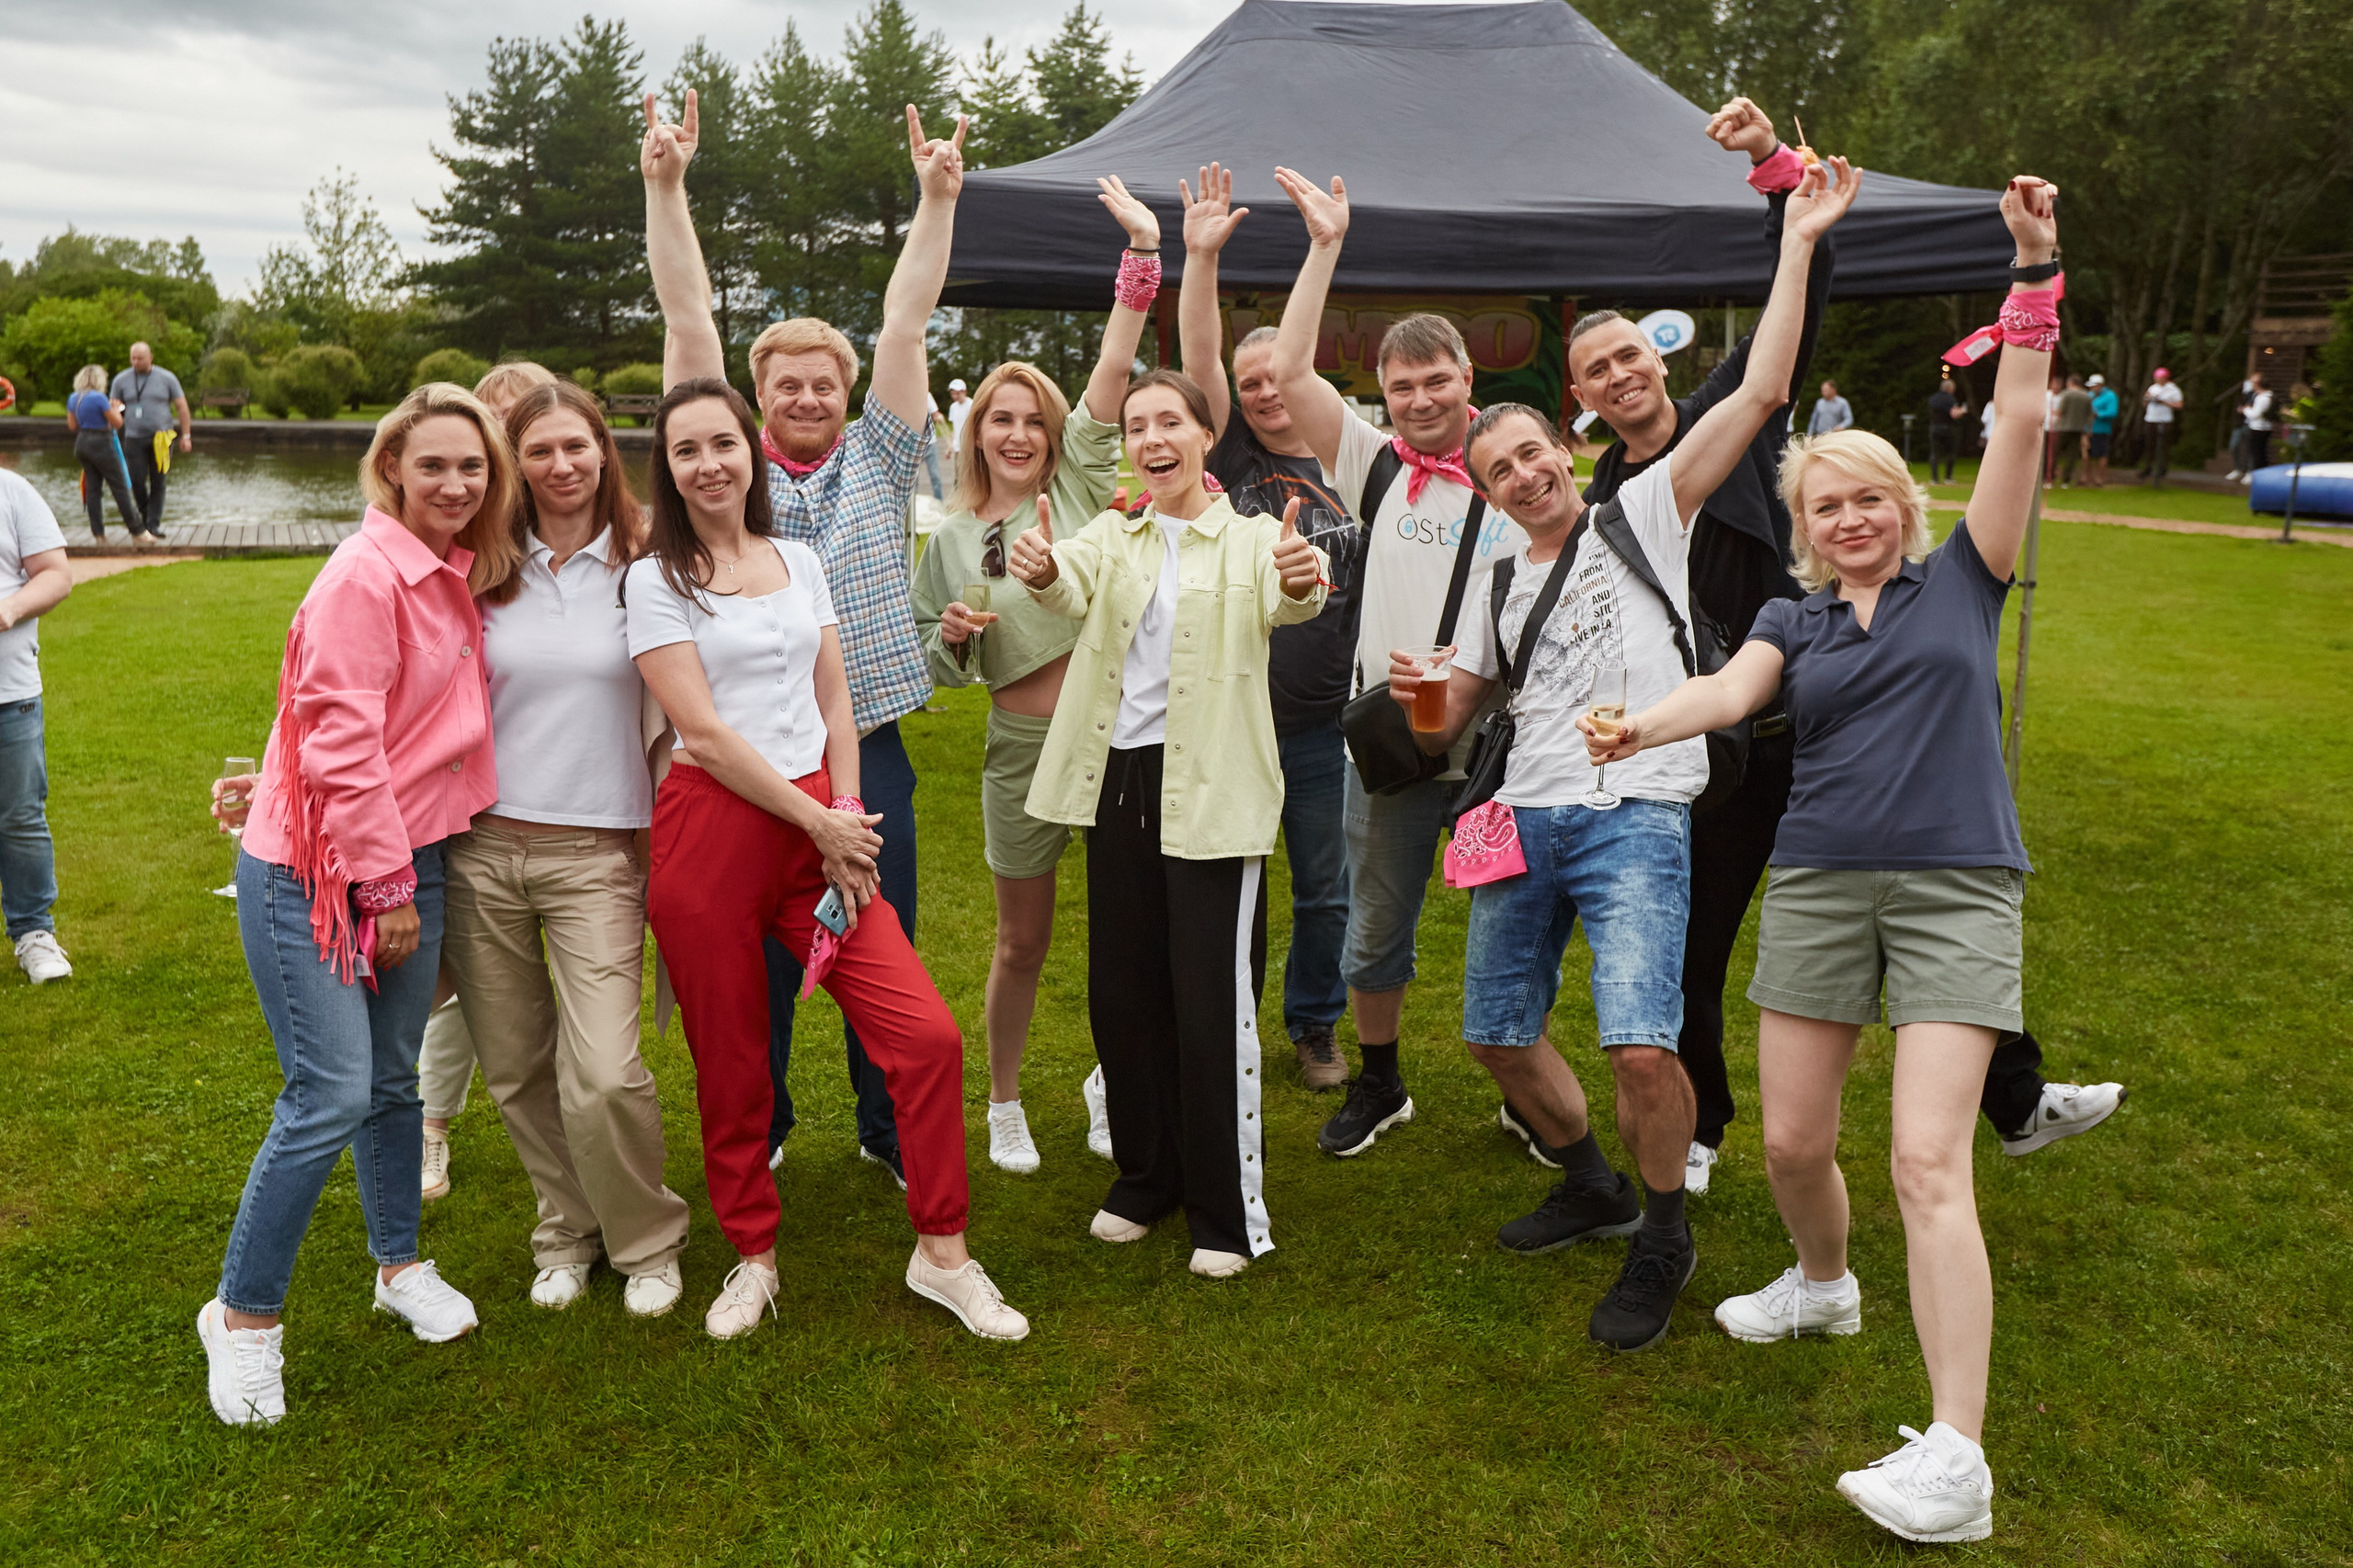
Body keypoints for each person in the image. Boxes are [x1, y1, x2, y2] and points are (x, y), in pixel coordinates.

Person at [1579, 176, 2066, 1543]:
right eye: (1826, 506)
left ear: (1903, 505)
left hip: (1956, 883)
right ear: (1804, 528)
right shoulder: (1798, 616)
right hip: (1817, 882)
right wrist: (1636, 723)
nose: (1850, 517)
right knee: (1793, 1139)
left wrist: (2034, 270)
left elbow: (2019, 416)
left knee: (1925, 1159)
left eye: (1867, 500)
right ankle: (1820, 1280)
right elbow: (1725, 693)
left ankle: (1956, 1455)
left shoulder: (1968, 570)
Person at [1575, 98, 2119, 1197]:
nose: (1619, 372)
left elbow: (1798, 295)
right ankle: (1706, 1120)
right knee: (1698, 935)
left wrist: (1782, 177)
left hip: (1826, 699)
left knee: (1915, 883)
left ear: (1658, 358)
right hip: (1725, 725)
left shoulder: (1725, 414)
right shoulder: (1606, 494)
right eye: (1596, 369)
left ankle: (2012, 1097)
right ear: (1582, 399)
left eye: (1629, 351)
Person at [1399, 157, 1856, 1354]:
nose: (1529, 475)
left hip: (1642, 812)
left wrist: (1797, 236)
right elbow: (1451, 725)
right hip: (1527, 823)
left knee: (1643, 1040)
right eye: (1503, 472)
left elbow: (1760, 387)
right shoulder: (1496, 581)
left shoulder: (1646, 507)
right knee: (1497, 1031)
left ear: (1563, 445)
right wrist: (1423, 697)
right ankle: (1590, 1180)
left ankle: (1662, 1230)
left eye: (1537, 455)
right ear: (1488, 493)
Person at [626, 377, 1026, 1342]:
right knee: (732, 1061)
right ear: (669, 469)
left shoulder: (799, 558)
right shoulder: (653, 579)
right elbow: (706, 736)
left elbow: (838, 700)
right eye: (688, 450)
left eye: (723, 442)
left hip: (822, 826)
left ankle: (943, 1250)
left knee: (924, 1036)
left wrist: (844, 810)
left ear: (749, 450)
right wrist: (819, 820)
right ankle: (752, 1254)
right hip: (712, 833)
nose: (710, 463)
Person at [643, 92, 962, 1187]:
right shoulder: (727, 478)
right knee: (759, 964)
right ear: (758, 398)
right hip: (747, 765)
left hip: (868, 748)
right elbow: (690, 324)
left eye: (826, 380)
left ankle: (884, 1123)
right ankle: (766, 1121)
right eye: (786, 381)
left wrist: (933, 201)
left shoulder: (881, 454)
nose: (809, 392)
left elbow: (909, 319)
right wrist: (667, 187)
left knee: (879, 938)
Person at [197, 381, 524, 1427]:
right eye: (433, 464)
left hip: (408, 851)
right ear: (392, 467)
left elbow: (331, 705)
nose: (455, 483)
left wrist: (281, 767)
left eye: (472, 467)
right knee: (329, 1091)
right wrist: (382, 884)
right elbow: (338, 729)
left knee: (392, 1079)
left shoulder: (449, 572)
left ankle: (397, 1268)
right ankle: (243, 1317)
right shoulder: (368, 570)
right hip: (318, 873)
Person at [1007, 368, 1326, 1278]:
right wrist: (1040, 567)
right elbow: (1070, 581)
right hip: (1119, 786)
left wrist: (1303, 577)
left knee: (1209, 1001)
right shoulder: (1114, 532)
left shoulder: (1258, 538)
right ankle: (1146, 1176)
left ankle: (1225, 1209)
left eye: (1169, 423)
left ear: (1202, 435)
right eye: (1138, 425)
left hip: (1213, 790)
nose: (1152, 439)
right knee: (1122, 989)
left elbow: (1292, 592)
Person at [1267, 166, 1526, 1157]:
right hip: (1394, 737)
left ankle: (1522, 1081)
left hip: (1508, 740)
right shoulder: (1374, 464)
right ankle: (1381, 1081)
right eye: (1401, 385)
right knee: (1375, 920)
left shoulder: (1517, 470)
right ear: (1385, 394)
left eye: (1436, 380)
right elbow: (1292, 375)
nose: (1420, 399)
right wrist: (1324, 246)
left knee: (1519, 919)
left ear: (1469, 380)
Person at [905, 176, 1153, 1173]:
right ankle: (1003, 1099)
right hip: (1016, 749)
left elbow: (1114, 362)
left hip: (1114, 733)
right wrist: (959, 635)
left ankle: (1112, 1079)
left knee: (1126, 932)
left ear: (1053, 434)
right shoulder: (953, 537)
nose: (1014, 433)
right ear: (976, 433)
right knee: (1021, 940)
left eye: (1030, 420)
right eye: (997, 419)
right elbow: (934, 655)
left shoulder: (1086, 484)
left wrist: (1141, 256)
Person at [438, 381, 693, 1317]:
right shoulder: (474, 566)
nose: (560, 464)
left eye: (576, 446)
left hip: (600, 854)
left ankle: (648, 1238)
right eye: (539, 449)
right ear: (517, 461)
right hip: (482, 850)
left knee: (604, 1070)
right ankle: (565, 1230)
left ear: (603, 452)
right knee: (515, 1065)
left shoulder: (649, 564)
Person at [1176, 161, 1360, 1093]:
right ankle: (1229, 1021)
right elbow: (1200, 356)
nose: (1260, 390)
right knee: (1235, 880)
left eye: (1271, 375)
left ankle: (1314, 1025)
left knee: (1325, 885)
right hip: (1233, 710)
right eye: (1246, 382)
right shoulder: (1228, 454)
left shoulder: (1344, 454)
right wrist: (1199, 260)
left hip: (1325, 721)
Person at [415, 356, 569, 1204]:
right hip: (468, 799)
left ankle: (568, 1142)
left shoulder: (579, 530)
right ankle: (430, 1127)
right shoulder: (460, 547)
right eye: (500, 431)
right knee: (460, 987)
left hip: (567, 803)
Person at [0, 467, 73, 985]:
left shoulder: (12, 490)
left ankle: (33, 933)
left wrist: (8, 610)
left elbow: (55, 573)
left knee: (20, 819)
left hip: (10, 694)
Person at [110, 342, 190, 540]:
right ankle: (145, 518)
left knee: (159, 481)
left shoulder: (166, 378)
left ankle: (153, 525)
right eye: (133, 358)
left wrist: (186, 435)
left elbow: (182, 407)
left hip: (161, 438)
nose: (136, 362)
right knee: (136, 480)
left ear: (150, 358)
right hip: (133, 437)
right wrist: (117, 408)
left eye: (140, 358)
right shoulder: (121, 380)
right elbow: (113, 408)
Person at [64, 366, 139, 540]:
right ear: (100, 380)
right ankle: (137, 530)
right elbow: (118, 423)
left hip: (82, 444)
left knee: (93, 490)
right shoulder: (99, 398)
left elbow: (72, 426)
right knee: (119, 487)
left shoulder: (73, 398)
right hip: (102, 444)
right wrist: (115, 408)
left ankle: (98, 534)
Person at [2140, 367, 2183, 485]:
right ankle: (2148, 467)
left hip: (2165, 420)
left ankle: (2162, 469)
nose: (2157, 380)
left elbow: (2179, 405)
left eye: (2159, 378)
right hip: (2150, 419)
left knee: (2163, 446)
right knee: (2149, 444)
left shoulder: (2173, 390)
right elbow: (2145, 403)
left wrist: (2163, 401)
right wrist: (2147, 398)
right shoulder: (2153, 388)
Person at [2052, 373, 2094, 487]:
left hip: (2062, 427)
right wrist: (2089, 429)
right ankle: (2066, 480)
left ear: (2070, 383)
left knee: (2055, 452)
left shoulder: (2066, 394)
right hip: (2078, 428)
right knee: (2072, 455)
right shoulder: (2086, 396)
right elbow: (2090, 415)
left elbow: (2060, 411)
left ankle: (2050, 477)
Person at [1926, 378, 1964, 484]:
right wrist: (1962, 411)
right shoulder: (1950, 399)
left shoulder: (1932, 399)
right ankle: (1948, 477)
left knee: (1934, 453)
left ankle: (1934, 478)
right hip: (1948, 429)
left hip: (1934, 428)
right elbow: (1954, 414)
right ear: (1951, 388)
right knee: (1950, 453)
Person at [2236, 377, 2275, 480]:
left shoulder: (2263, 398)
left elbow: (2255, 415)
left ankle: (2258, 476)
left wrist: (2246, 409)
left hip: (2258, 428)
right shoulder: (2269, 396)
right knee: (2260, 453)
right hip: (2264, 427)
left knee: (2257, 454)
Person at [2086, 374, 2119, 487]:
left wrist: (2098, 414)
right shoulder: (2089, 395)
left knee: (2102, 454)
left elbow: (2113, 412)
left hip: (2102, 429)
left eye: (2094, 386)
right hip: (2088, 429)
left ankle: (2099, 478)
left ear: (2100, 385)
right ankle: (2087, 477)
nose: (2091, 389)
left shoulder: (2110, 396)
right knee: (2086, 453)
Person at [947, 379, 972, 448]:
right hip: (957, 445)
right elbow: (954, 428)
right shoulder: (953, 407)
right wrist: (950, 447)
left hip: (968, 445)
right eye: (953, 394)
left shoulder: (971, 405)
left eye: (957, 394)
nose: (955, 396)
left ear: (964, 392)